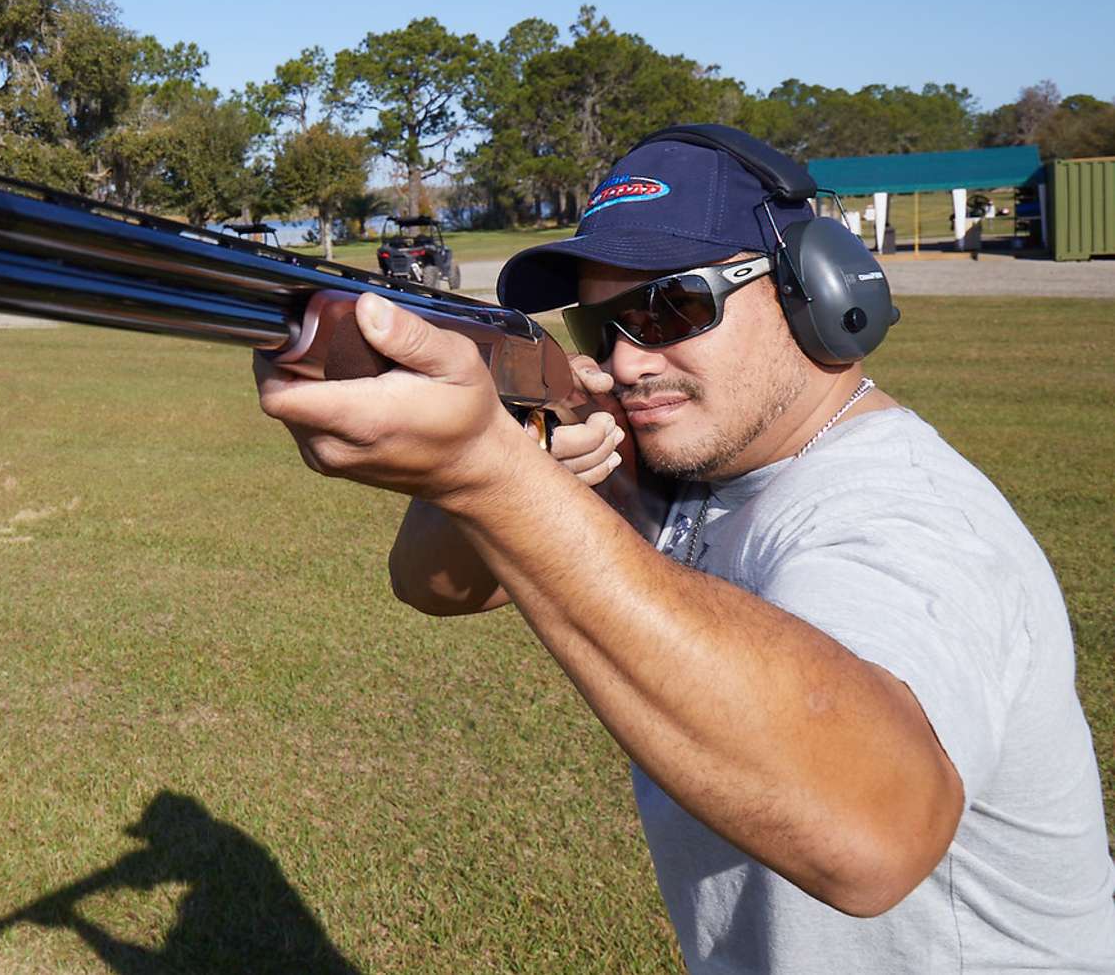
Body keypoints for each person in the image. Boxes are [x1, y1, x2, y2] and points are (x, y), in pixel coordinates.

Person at [253, 127, 1115, 972]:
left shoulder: (905, 517)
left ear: (809, 287)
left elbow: (874, 839)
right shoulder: (688, 463)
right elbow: (432, 585)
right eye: (600, 326)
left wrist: (492, 476)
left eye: (671, 307)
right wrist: (521, 455)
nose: (627, 362)